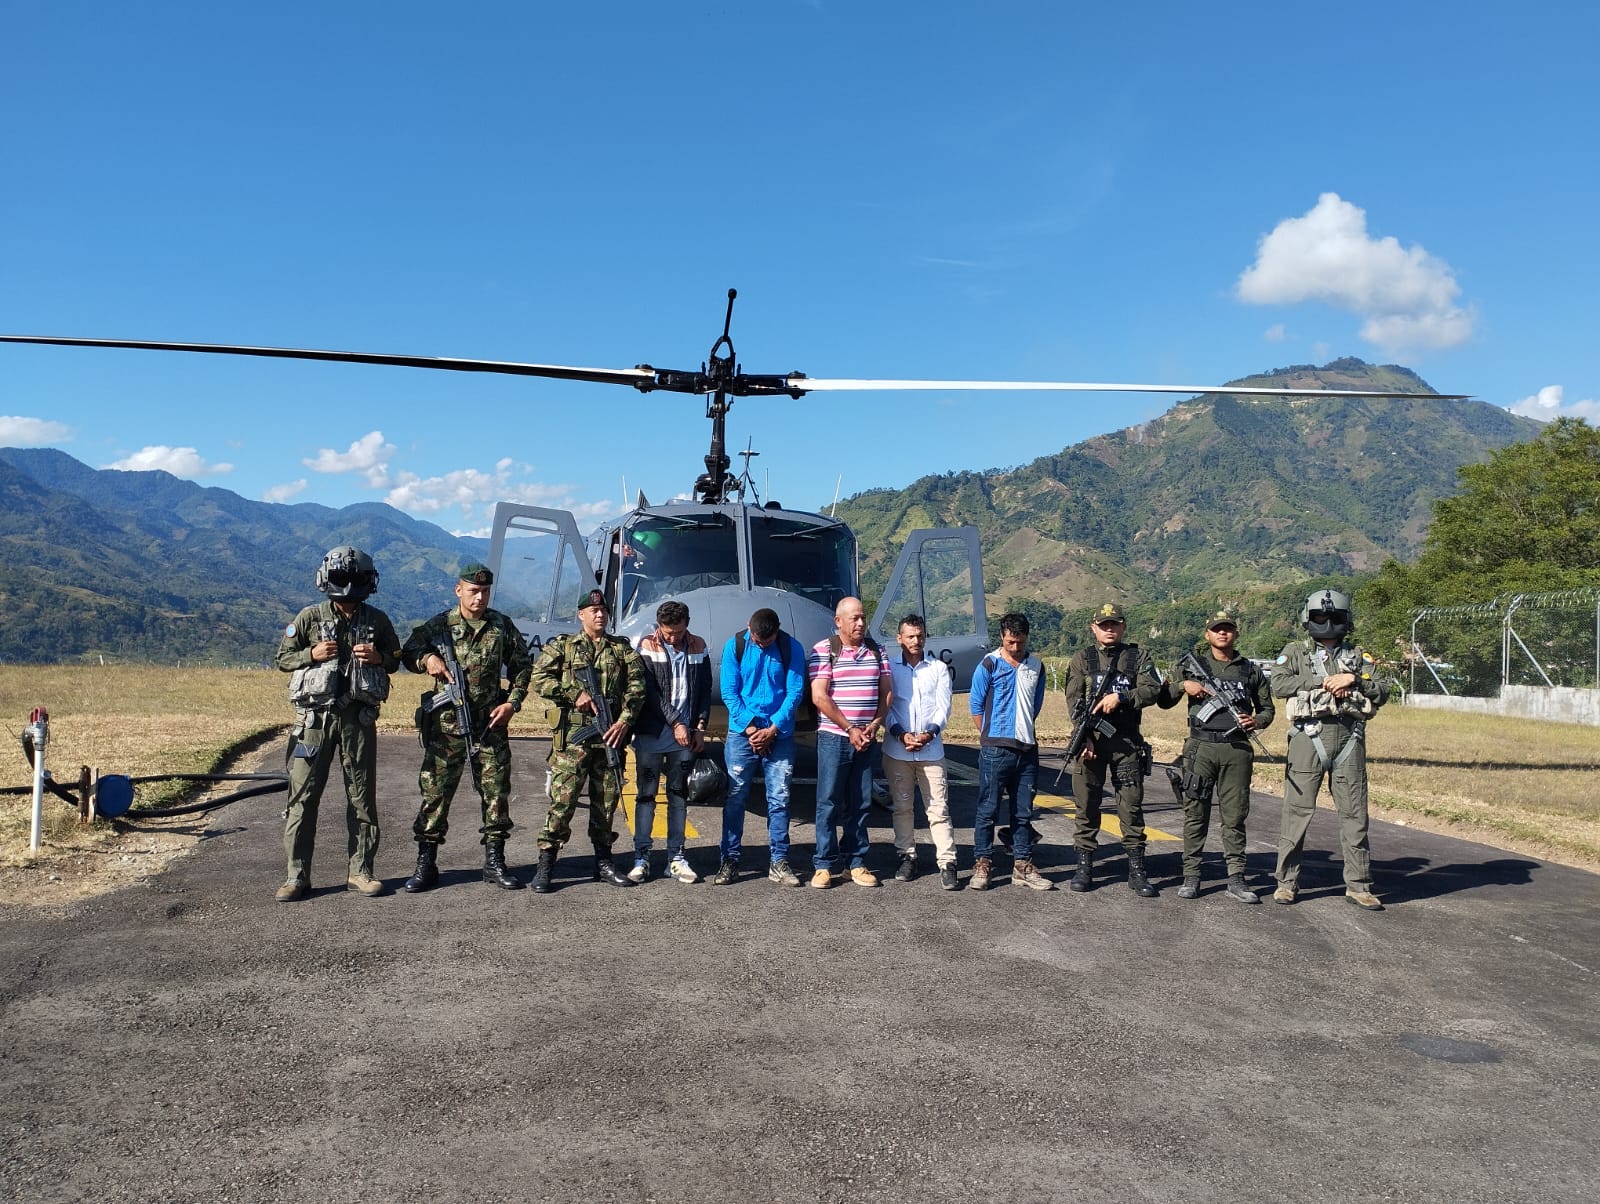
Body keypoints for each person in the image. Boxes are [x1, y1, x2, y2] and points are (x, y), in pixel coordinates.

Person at [273, 546, 402, 902]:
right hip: (314, 722)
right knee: (302, 797)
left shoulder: (377, 620)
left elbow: (395, 659)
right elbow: (282, 658)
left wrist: (378, 657)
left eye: (355, 580)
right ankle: (296, 876)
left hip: (357, 722)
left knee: (361, 798)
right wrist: (309, 655)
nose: (348, 587)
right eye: (343, 580)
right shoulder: (308, 618)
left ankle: (360, 871)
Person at [401, 562, 535, 893]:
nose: (479, 598)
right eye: (473, 591)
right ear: (458, 590)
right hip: (446, 729)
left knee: (496, 795)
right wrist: (427, 660)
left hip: (490, 726)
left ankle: (494, 863)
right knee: (435, 794)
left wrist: (512, 703)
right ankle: (426, 864)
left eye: (485, 592)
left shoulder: (501, 626)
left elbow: (522, 665)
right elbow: (409, 651)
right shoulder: (440, 625)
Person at [1271, 588, 1388, 910]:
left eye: (1334, 617)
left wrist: (1354, 680)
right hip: (1309, 737)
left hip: (1350, 737)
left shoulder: (1360, 657)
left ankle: (1359, 884)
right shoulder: (1294, 652)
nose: (1327, 621)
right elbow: (1278, 685)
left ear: (1346, 620)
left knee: (1355, 815)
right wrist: (1321, 683)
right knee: (1296, 813)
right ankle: (1286, 882)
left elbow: (1382, 691)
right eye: (1320, 616)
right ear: (1308, 619)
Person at [529, 588, 647, 893]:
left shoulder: (621, 649)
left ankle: (604, 862)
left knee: (605, 803)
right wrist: (574, 694)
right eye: (593, 611)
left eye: (603, 611)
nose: (600, 615)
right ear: (581, 615)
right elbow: (539, 679)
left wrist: (625, 720)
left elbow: (638, 686)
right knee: (563, 803)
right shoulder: (564, 647)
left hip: (609, 736)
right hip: (574, 741)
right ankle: (546, 863)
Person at [1063, 603, 1172, 897]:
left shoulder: (1138, 656)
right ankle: (1085, 867)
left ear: (1123, 626)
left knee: (1131, 808)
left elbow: (1152, 690)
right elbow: (1074, 701)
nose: (1109, 629)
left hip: (1126, 743)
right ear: (1093, 628)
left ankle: (1137, 870)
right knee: (1086, 807)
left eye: (1115, 624)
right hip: (1091, 744)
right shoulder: (1082, 659)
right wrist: (1082, 736)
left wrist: (1121, 697)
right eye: (1104, 624)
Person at [1173, 611, 1275, 903]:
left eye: (1228, 629)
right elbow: (1164, 698)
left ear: (1235, 633)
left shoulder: (1250, 670)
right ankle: (1191, 876)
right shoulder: (1194, 667)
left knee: (1234, 816)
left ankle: (1237, 878)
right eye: (1217, 629)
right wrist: (1184, 686)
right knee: (1195, 814)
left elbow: (1268, 709)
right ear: (1208, 634)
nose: (1222, 634)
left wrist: (1256, 721)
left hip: (1237, 749)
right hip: (1201, 748)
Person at [719, 607, 808, 886]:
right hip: (742, 734)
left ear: (777, 632)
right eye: (756, 640)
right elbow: (729, 693)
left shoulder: (790, 647)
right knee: (735, 798)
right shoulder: (735, 646)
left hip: (778, 735)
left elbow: (794, 693)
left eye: (765, 642)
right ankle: (730, 859)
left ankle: (779, 861)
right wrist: (751, 728)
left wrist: (772, 729)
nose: (760, 644)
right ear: (749, 627)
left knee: (779, 799)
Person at [809, 596, 892, 888]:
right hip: (835, 737)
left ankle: (856, 862)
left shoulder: (877, 651)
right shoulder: (823, 650)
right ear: (838, 621)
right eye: (854, 618)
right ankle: (824, 864)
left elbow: (887, 694)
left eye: (862, 617)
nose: (860, 623)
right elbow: (819, 696)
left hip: (866, 738)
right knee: (828, 801)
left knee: (861, 802)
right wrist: (850, 728)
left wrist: (873, 725)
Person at [628, 600, 711, 885]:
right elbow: (649, 691)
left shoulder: (699, 646)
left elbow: (703, 689)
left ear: (687, 624)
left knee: (678, 796)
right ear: (659, 625)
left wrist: (699, 727)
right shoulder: (646, 646)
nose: (672, 637)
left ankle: (675, 857)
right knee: (646, 796)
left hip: (684, 740)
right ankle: (642, 857)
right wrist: (676, 722)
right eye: (667, 631)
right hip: (652, 736)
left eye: (677, 631)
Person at [968, 613, 1052, 890]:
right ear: (1002, 637)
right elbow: (976, 705)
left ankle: (1022, 865)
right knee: (987, 810)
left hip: (1027, 749)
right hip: (995, 749)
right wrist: (989, 736)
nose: (1015, 647)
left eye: (1020, 642)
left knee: (1023, 811)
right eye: (1010, 642)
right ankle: (982, 863)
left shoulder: (1036, 667)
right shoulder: (989, 664)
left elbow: (1035, 706)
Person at [884, 614, 959, 889]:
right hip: (897, 751)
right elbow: (888, 708)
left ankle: (947, 862)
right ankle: (907, 856)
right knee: (902, 807)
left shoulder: (938, 669)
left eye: (920, 635)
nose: (916, 640)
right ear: (899, 638)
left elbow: (943, 707)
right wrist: (900, 734)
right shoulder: (890, 669)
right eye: (910, 636)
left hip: (931, 751)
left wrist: (928, 734)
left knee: (938, 809)